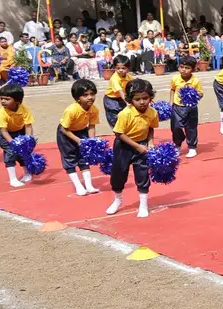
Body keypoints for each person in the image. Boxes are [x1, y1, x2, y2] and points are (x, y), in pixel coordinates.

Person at [106, 79, 159, 218]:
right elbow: (119, 133)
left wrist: (150, 142)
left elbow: (151, 128)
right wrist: (137, 146)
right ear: (130, 100)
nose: (142, 102)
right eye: (137, 99)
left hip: (142, 146)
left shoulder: (152, 112)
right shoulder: (125, 113)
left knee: (142, 174)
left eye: (145, 98)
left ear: (150, 97)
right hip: (124, 146)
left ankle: (143, 204)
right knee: (118, 174)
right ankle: (118, 200)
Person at [57, 78, 101, 197]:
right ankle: (78, 186)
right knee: (70, 159)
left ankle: (89, 185)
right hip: (66, 134)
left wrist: (91, 142)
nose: (90, 97)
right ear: (77, 98)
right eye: (85, 95)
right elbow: (64, 129)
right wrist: (78, 141)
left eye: (92, 94)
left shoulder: (94, 109)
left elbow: (91, 126)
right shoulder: (72, 110)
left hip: (82, 132)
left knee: (84, 158)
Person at [0, 82, 35, 187]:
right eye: (1, 98)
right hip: (5, 134)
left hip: (20, 132)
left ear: (17, 100)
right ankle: (13, 179)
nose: (3, 101)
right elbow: (3, 131)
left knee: (24, 153)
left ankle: (27, 173)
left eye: (7, 99)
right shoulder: (2, 113)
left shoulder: (24, 110)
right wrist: (13, 143)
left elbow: (28, 126)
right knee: (11, 152)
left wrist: (27, 140)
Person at [169, 56, 202, 158]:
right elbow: (172, 89)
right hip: (177, 107)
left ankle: (192, 147)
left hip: (191, 108)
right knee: (176, 127)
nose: (183, 70)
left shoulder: (195, 81)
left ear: (192, 69)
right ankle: (177, 145)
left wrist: (193, 96)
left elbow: (200, 94)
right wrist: (171, 102)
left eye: (187, 68)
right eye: (181, 67)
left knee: (191, 128)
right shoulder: (175, 79)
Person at [103, 55, 133, 129]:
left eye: (123, 68)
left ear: (128, 68)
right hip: (111, 100)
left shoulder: (128, 76)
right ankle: (119, 135)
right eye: (118, 68)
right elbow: (120, 91)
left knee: (124, 118)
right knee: (115, 120)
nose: (120, 70)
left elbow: (135, 84)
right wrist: (128, 102)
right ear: (114, 68)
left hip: (121, 99)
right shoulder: (114, 79)